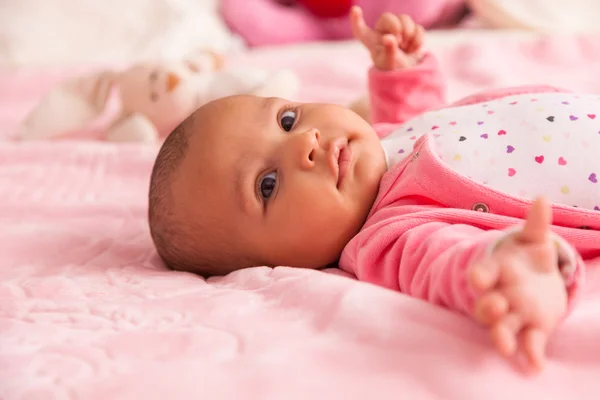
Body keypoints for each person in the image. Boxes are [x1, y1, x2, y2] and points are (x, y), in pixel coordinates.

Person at [148, 6, 600, 372]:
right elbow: (445, 263)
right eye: (268, 185)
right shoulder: (389, 237)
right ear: (272, 261)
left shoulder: (381, 142)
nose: (306, 144)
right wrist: (508, 268)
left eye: (287, 120)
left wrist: (400, 73)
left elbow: (421, 124)